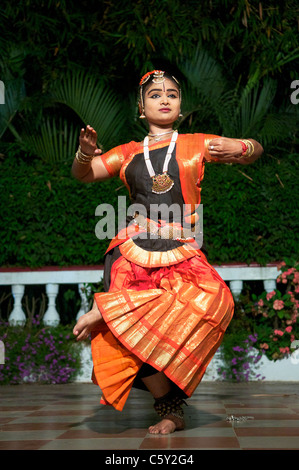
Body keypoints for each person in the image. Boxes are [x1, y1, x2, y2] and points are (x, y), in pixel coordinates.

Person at [72, 70, 263, 434]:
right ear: (141, 108)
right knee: (132, 335)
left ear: (180, 105)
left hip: (181, 248)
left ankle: (110, 310)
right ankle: (170, 409)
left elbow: (253, 151)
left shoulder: (196, 143)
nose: (164, 99)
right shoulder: (127, 153)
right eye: (155, 95)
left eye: (172, 95)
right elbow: (85, 174)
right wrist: (83, 153)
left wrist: (245, 146)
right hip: (134, 249)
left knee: (215, 302)